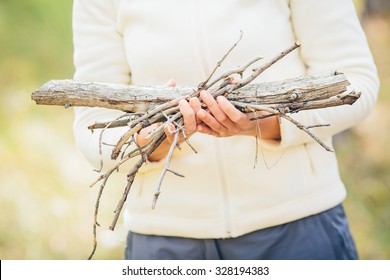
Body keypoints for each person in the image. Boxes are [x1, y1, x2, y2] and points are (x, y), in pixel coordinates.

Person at [72, 0, 379, 260]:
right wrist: (154, 142)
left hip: (298, 228)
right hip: (165, 243)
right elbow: (92, 122)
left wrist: (264, 124)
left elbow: (355, 82)